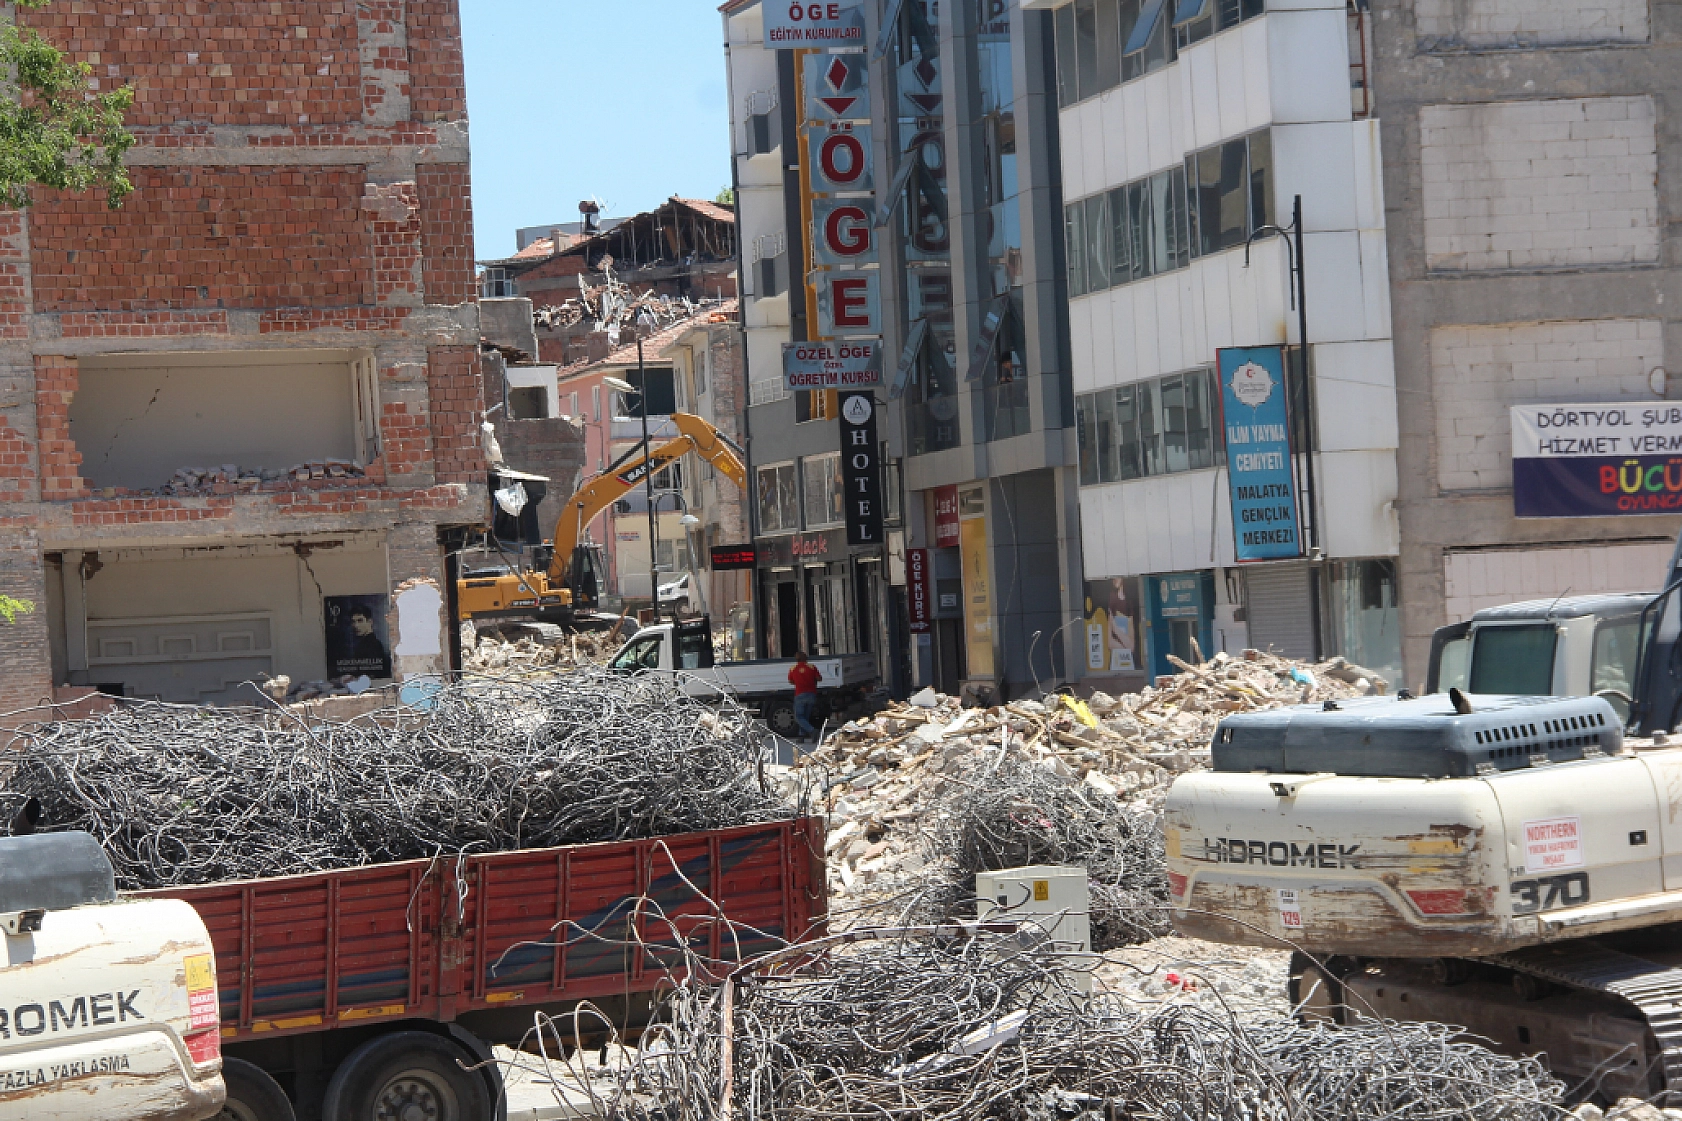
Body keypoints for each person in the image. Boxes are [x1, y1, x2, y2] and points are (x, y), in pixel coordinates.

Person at [787, 651, 822, 742]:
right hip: (811, 693)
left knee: (798, 717)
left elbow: (790, 681)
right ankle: (801, 736)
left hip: (800, 694)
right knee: (805, 716)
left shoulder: (793, 669)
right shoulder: (812, 667)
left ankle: (812, 731)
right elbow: (819, 678)